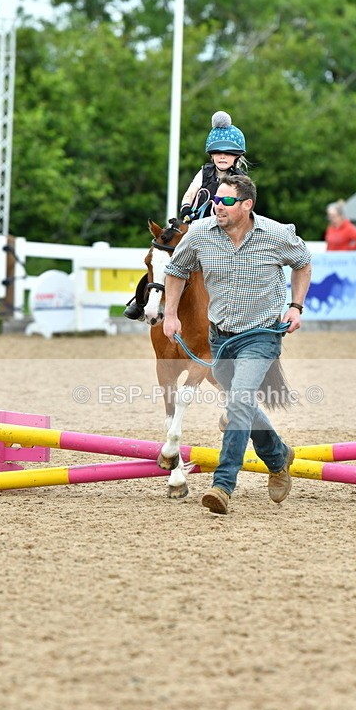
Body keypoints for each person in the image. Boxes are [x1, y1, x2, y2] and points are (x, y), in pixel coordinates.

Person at [162, 174, 312, 515]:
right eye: (216, 200)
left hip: (262, 336)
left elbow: (303, 263)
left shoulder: (276, 234)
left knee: (239, 404)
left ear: (247, 204)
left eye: (227, 201)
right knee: (242, 406)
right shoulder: (200, 233)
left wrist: (296, 306)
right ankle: (278, 456)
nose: (218, 206)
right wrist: (171, 314)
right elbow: (176, 270)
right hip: (221, 339)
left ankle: (223, 485)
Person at [123, 110, 248, 320]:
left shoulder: (241, 180)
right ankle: (142, 301)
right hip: (194, 227)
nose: (222, 157)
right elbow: (190, 193)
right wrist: (186, 209)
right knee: (162, 253)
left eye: (228, 153)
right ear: (211, 154)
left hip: (225, 232)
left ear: (237, 156)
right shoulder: (204, 172)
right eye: (218, 153)